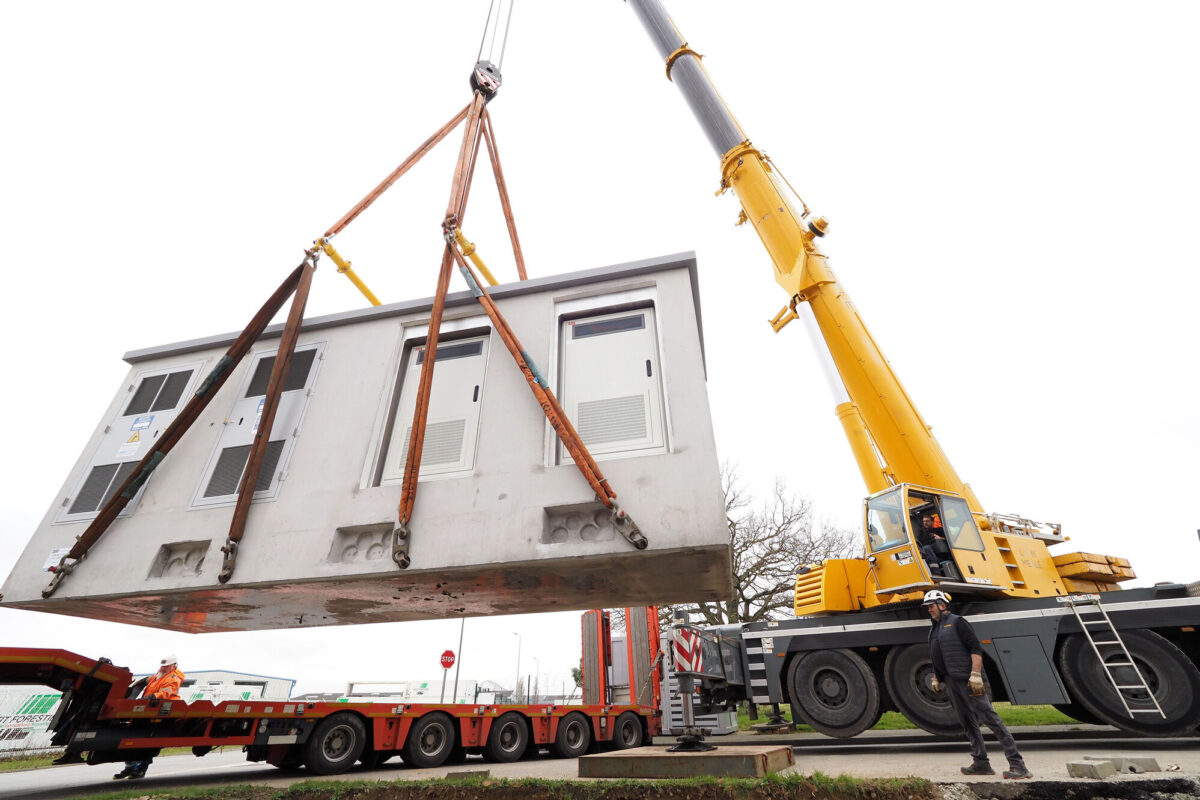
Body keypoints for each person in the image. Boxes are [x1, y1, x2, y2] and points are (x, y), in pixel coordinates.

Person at [923, 590, 1032, 779]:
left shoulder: (958, 622)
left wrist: (975, 674)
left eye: (931, 606)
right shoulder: (934, 628)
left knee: (990, 719)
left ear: (942, 605)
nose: (929, 610)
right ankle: (981, 762)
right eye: (928, 607)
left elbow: (975, 648)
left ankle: (1018, 765)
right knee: (967, 722)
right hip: (951, 681)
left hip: (967, 680)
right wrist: (936, 677)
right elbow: (937, 654)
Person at [113, 655, 185, 780]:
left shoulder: (173, 678)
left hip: (162, 712)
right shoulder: (158, 675)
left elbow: (165, 693)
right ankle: (130, 767)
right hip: (148, 710)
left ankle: (141, 769)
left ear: (174, 666)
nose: (163, 667)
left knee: (150, 741)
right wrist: (137, 687)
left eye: (166, 666)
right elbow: (146, 681)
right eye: (162, 665)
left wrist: (150, 698)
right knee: (134, 738)